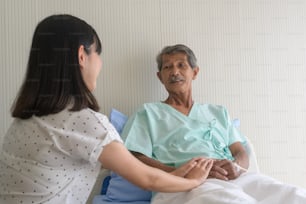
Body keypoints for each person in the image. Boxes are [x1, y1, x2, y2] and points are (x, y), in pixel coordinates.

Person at [0, 16, 213, 204]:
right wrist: (194, 180)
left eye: (181, 65)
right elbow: (147, 178)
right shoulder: (82, 121)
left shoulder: (26, 120)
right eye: (98, 54)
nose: (100, 63)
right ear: (82, 55)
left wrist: (177, 174)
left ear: (195, 72)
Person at [121, 44, 306, 204]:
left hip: (233, 177)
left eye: (181, 65)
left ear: (195, 72)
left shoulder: (218, 112)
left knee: (293, 196)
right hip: (183, 184)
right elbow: (135, 157)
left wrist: (236, 166)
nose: (174, 72)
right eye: (167, 67)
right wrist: (183, 172)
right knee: (230, 201)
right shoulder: (148, 112)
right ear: (160, 77)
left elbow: (240, 151)